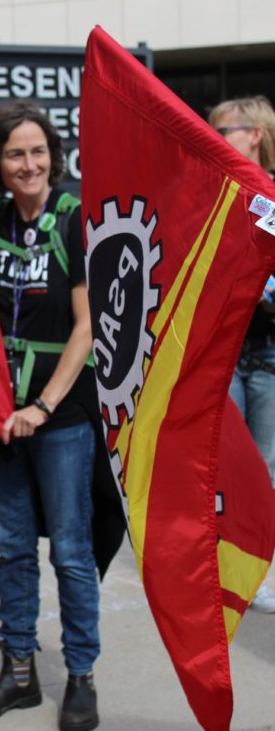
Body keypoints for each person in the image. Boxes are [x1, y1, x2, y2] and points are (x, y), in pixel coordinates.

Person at [0, 102, 121, 731]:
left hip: (62, 417)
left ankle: (81, 676)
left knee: (71, 552)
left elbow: (88, 328)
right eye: (16, 153)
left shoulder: (75, 219)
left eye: (39, 151)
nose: (30, 164)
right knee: (13, 547)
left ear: (55, 155)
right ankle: (18, 672)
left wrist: (42, 405)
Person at [209, 95, 275, 614]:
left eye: (223, 129)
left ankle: (258, 570)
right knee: (223, 468)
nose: (215, 135)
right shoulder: (214, 193)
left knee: (266, 471)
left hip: (270, 356)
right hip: (225, 352)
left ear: (255, 134)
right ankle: (222, 568)